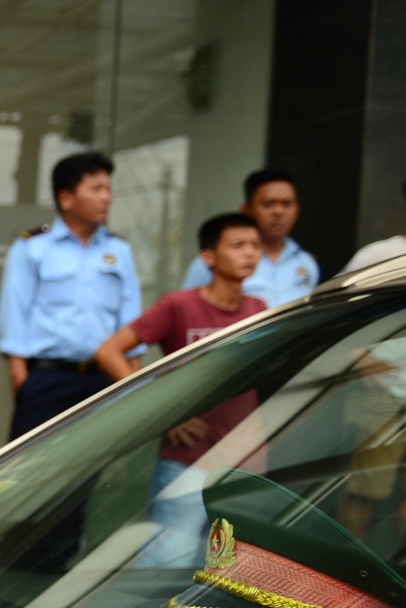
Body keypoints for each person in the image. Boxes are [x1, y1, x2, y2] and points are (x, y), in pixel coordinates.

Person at [96, 212, 269, 568]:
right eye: (237, 246)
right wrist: (161, 411)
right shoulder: (179, 305)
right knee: (166, 563)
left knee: (234, 571)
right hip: (187, 458)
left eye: (255, 245)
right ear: (208, 256)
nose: (249, 253)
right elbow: (110, 352)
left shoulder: (258, 310)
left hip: (245, 458)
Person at [0, 150, 142, 438]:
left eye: (109, 189)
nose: (106, 198)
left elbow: (131, 326)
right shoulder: (32, 247)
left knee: (91, 475)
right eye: (96, 189)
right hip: (48, 379)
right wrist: (23, 384)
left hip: (103, 380)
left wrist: (133, 383)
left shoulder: (119, 249)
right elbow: (14, 319)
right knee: (30, 475)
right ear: (66, 198)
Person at [179, 169, 318, 308]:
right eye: (268, 204)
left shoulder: (306, 262)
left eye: (286, 204)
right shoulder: (216, 260)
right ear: (247, 210)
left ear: (297, 211)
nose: (278, 212)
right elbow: (188, 311)